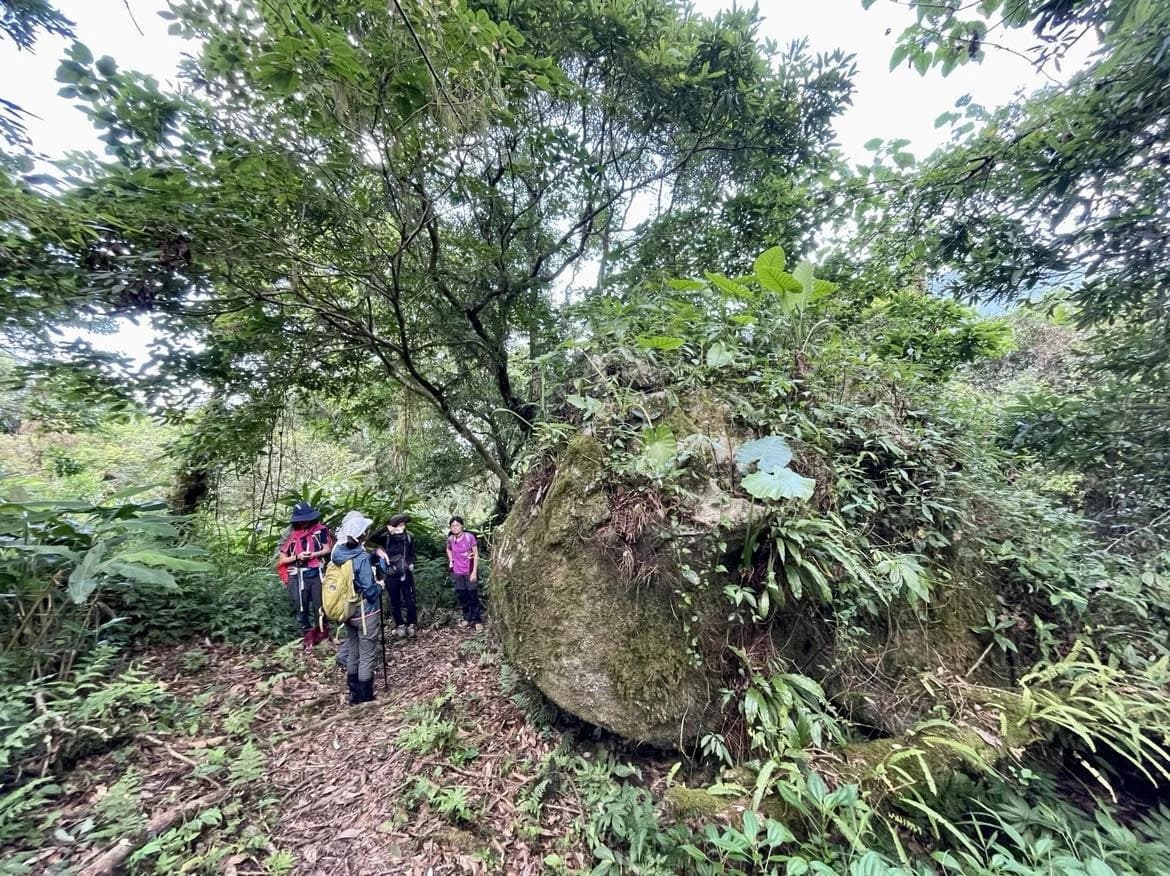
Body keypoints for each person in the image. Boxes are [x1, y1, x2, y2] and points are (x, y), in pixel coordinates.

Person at [332, 510, 382, 704]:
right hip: (365, 612)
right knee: (367, 653)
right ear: (362, 535)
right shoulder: (360, 556)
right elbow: (369, 590)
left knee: (353, 651)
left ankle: (353, 694)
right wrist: (380, 586)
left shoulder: (338, 553)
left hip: (347, 610)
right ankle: (365, 697)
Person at [276, 501, 334, 651]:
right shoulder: (289, 534)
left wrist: (313, 554)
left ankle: (323, 635)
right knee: (300, 606)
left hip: (315, 573)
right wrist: (298, 556)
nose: (305, 522)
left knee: (319, 606)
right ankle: (307, 636)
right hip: (296, 575)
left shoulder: (320, 530)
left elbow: (327, 549)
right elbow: (282, 560)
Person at [369, 513, 418, 638]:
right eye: (399, 525)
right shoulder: (386, 538)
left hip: (406, 572)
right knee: (395, 601)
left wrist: (409, 563)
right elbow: (372, 538)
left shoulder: (408, 538)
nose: (402, 527)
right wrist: (387, 529)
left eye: (403, 525)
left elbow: (412, 554)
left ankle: (411, 624)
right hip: (391, 574)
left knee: (410, 600)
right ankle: (400, 625)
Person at [446, 515, 482, 630]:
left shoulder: (469, 537)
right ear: (450, 527)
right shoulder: (451, 539)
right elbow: (448, 549)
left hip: (469, 571)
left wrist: (474, 572)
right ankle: (467, 618)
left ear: (462, 526)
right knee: (462, 596)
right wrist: (451, 560)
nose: (455, 527)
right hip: (457, 573)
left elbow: (476, 554)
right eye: (453, 526)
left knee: (473, 595)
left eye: (457, 525)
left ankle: (477, 620)